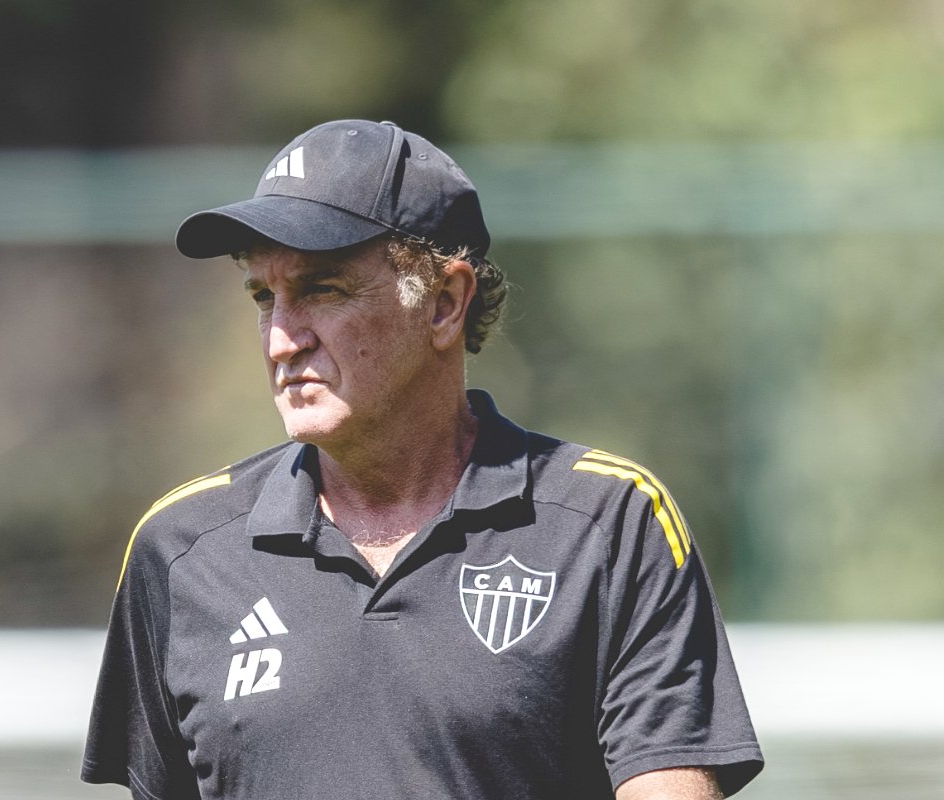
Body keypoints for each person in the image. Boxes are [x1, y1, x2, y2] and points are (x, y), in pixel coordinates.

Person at [82, 119, 763, 800]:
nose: (282, 341)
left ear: (444, 303)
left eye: (323, 289)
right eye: (265, 297)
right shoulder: (180, 551)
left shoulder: (609, 525)